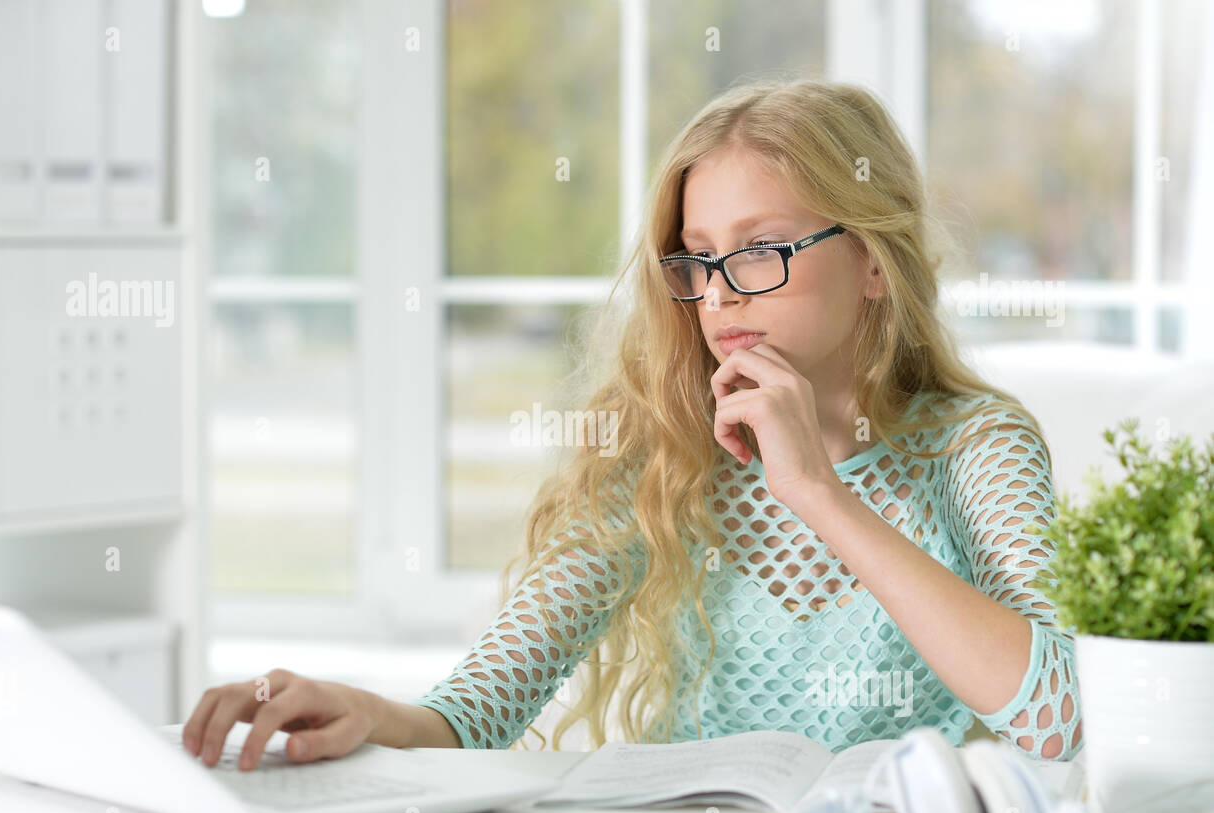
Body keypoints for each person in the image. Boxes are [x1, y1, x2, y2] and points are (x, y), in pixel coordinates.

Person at [182, 78, 1083, 773]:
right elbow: (479, 707)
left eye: (762, 250)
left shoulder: (975, 445)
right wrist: (368, 712)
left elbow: (1059, 713)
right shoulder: (662, 452)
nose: (721, 293)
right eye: (696, 259)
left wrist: (816, 491)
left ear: (874, 263)